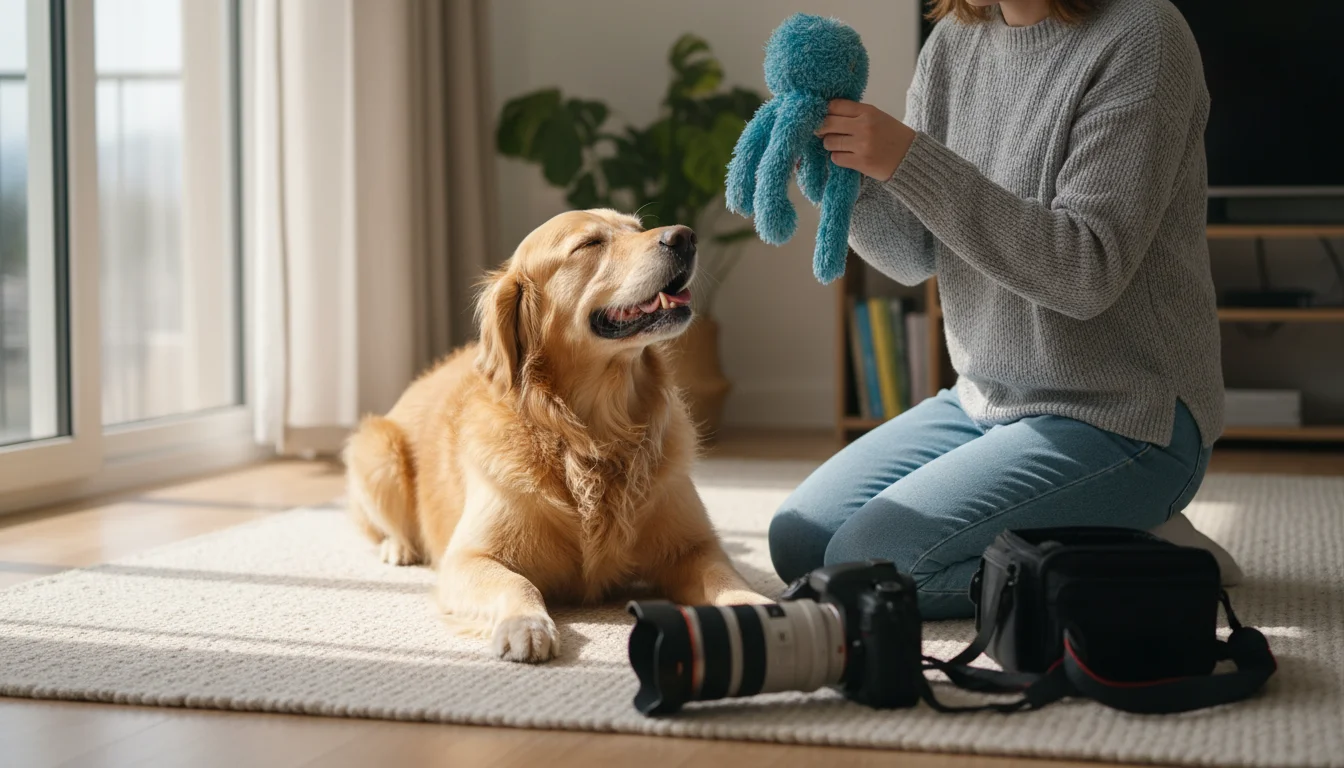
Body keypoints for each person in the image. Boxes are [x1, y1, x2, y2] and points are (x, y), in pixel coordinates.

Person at [767, 0, 1233, 619]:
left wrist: (909, 158)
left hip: (1125, 414)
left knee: (871, 561)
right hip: (985, 399)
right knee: (801, 539)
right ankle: (1098, 529)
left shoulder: (1144, 34)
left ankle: (1140, 547)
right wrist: (841, 171)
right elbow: (913, 255)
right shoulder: (955, 44)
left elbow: (1086, 270)